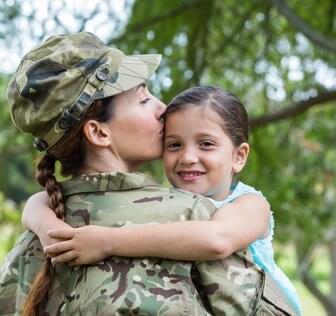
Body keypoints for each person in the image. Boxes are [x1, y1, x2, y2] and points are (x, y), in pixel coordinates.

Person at [0, 32, 296, 316]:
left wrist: (45, 223)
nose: (163, 109)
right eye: (144, 100)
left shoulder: (34, 242)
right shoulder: (192, 215)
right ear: (99, 132)